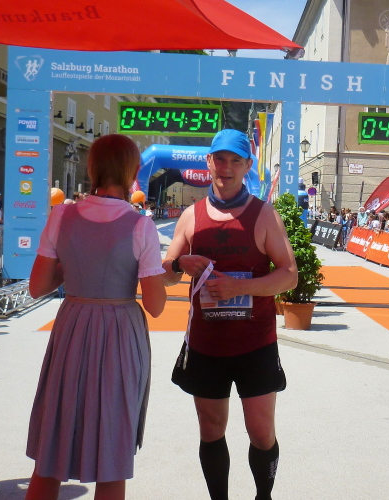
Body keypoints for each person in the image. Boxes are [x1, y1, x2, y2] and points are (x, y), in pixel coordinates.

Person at [25, 134, 166, 500]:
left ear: (92, 168)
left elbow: (38, 286)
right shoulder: (140, 226)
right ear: (133, 171)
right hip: (119, 331)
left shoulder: (62, 214)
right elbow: (155, 305)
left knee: (54, 441)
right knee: (112, 450)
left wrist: (76, 267)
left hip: (72, 326)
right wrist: (164, 272)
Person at [163, 129, 297, 500]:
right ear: (208, 162)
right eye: (220, 159)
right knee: (211, 429)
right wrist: (179, 263)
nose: (226, 168)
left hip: (255, 344)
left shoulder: (263, 214)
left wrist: (241, 288)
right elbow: (166, 274)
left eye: (235, 161)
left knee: (260, 432)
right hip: (206, 345)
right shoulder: (191, 217)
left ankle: (263, 497)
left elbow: (289, 274)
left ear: (247, 166)